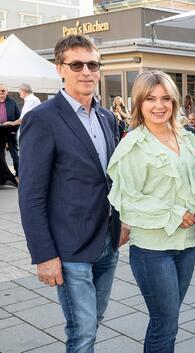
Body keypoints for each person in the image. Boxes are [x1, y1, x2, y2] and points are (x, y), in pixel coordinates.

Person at [18, 34, 126, 353]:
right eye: (76, 64)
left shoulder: (107, 117)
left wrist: (125, 221)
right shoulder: (42, 119)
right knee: (82, 331)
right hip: (69, 249)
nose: (86, 71)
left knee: (94, 321)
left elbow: (113, 179)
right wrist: (44, 256)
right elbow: (31, 195)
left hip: (107, 239)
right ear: (60, 69)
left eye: (93, 64)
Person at [107, 70, 195, 353]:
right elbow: (127, 200)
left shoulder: (186, 138)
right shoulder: (133, 144)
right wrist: (174, 213)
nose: (159, 105)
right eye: (150, 99)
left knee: (171, 321)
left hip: (186, 244)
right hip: (152, 249)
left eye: (165, 98)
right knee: (164, 322)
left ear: (174, 102)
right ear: (139, 103)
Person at [0, 83, 21, 179]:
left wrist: (14, 131)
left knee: (14, 154)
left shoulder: (12, 102)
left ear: (6, 92)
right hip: (0, 133)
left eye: (3, 90)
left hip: (10, 132)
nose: (1, 92)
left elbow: (19, 117)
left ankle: (18, 174)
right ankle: (3, 175)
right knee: (1, 155)